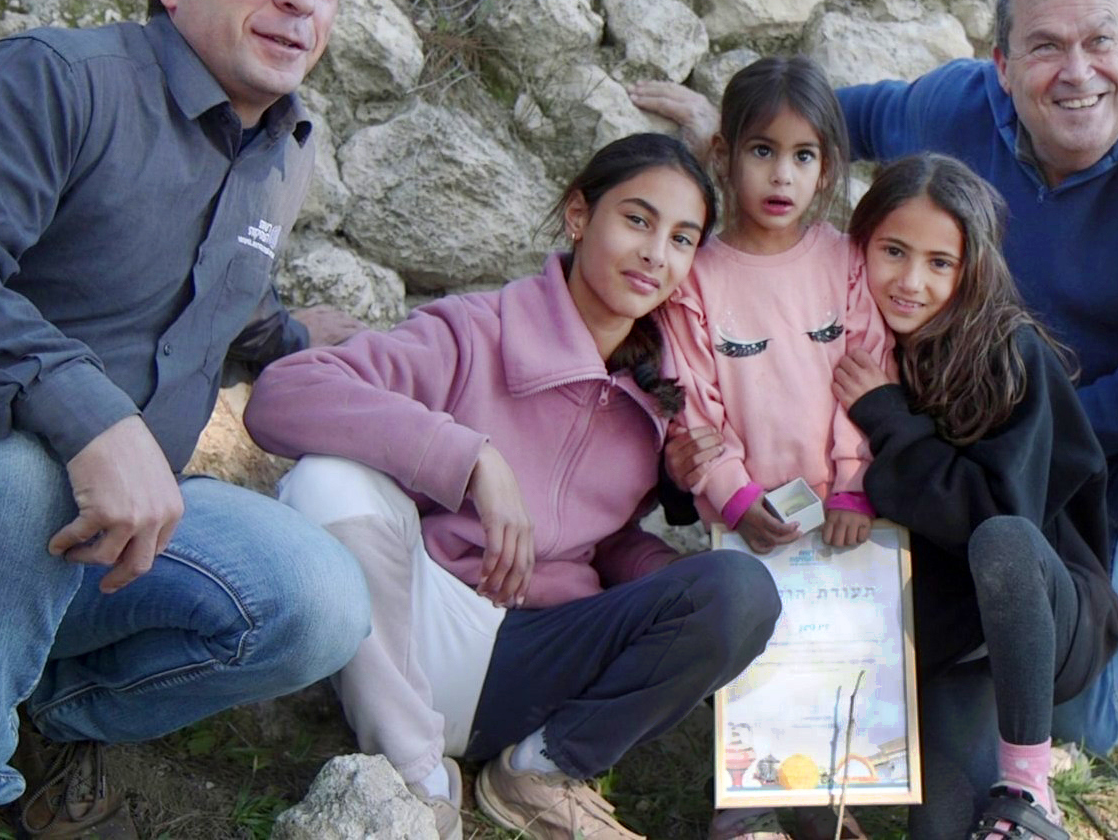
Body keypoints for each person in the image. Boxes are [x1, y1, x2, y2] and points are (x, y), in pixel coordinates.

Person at [633, 0, 1118, 838]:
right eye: (1044, 46)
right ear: (1001, 65)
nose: (1076, 71)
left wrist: (1031, 441)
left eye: (1099, 41)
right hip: (1002, 470)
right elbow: (830, 121)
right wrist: (729, 131)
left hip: (1107, 437)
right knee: (1074, 710)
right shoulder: (953, 108)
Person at [0, 0, 374, 840]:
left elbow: (223, 292)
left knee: (319, 600)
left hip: (91, 525)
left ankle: (34, 718)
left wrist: (295, 337)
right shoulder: (56, 80)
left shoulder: (280, 149)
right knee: (21, 474)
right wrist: (89, 415)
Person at [243, 133, 781, 840]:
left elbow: (605, 542)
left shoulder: (654, 396)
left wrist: (674, 590)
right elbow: (283, 395)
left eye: (681, 238)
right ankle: (416, 782)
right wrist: (473, 461)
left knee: (740, 591)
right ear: (579, 216)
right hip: (418, 628)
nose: (656, 253)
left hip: (537, 664)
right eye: (637, 220)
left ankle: (538, 773)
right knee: (327, 481)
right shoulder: (473, 330)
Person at [830, 153, 1118, 839]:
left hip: (1044, 619)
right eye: (893, 251)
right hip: (950, 650)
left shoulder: (1009, 356)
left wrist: (889, 418)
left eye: (940, 262)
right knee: (942, 830)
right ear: (860, 244)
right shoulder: (850, 342)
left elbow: (993, 526)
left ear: (974, 269)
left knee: (1005, 543)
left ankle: (1029, 789)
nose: (911, 281)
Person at [659, 55, 894, 561]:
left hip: (848, 520)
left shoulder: (846, 263)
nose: (782, 175)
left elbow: (870, 377)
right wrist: (735, 496)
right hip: (745, 525)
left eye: (803, 155)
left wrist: (854, 485)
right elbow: (692, 403)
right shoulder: (694, 280)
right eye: (763, 150)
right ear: (724, 155)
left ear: (826, 167)